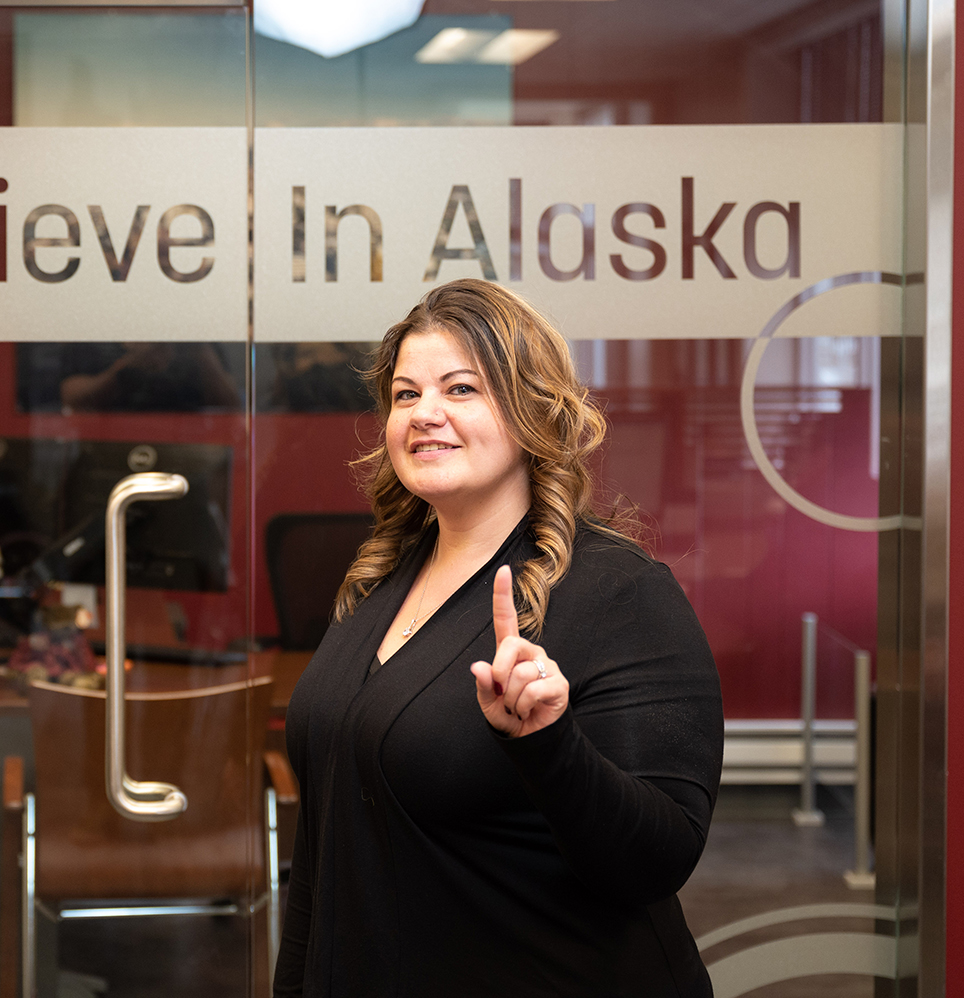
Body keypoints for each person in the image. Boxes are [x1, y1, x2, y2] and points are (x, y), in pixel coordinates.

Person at [274, 279, 723, 997]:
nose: (425, 414)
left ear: (532, 411)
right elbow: (326, 850)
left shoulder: (620, 592)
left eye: (460, 389)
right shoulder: (379, 581)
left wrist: (549, 742)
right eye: (405, 394)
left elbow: (657, 858)